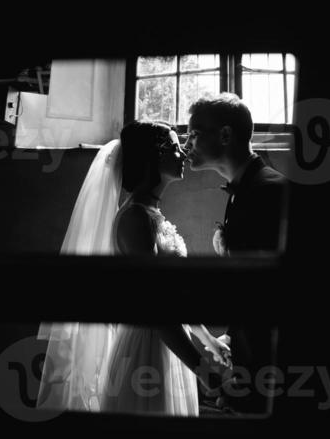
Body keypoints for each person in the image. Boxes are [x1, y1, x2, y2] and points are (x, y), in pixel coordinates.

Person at [36, 120, 232, 416]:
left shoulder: (152, 213)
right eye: (174, 148)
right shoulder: (134, 219)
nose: (183, 155)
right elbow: (155, 306)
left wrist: (208, 341)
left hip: (170, 346)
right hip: (146, 352)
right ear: (152, 157)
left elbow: (172, 298)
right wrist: (201, 367)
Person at [185, 93, 287, 413]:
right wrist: (230, 339)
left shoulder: (272, 191)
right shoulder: (242, 189)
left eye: (194, 134)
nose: (187, 143)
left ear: (226, 135)